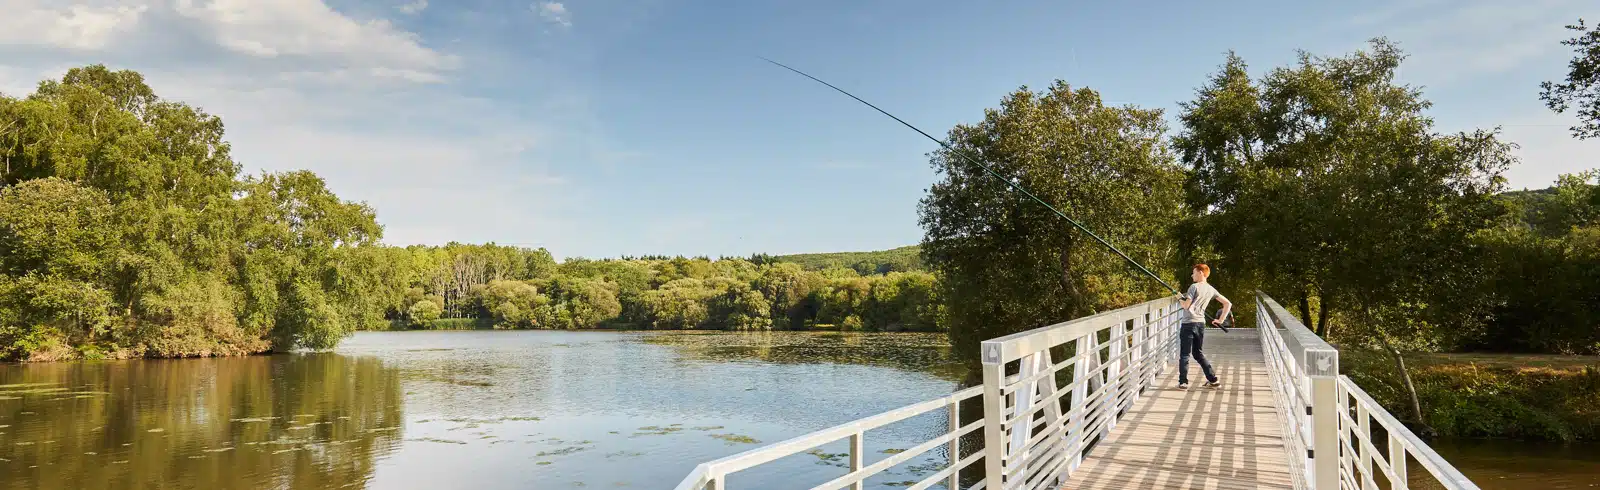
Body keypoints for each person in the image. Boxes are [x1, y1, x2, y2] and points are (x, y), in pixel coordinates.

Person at [1177, 263, 1230, 390]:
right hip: (1200, 324)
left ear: (1201, 272)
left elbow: (1186, 306)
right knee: (1198, 353)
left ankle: (1183, 382)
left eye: (1194, 272)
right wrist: (1220, 320)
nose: (1192, 275)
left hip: (1188, 323)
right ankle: (1213, 380)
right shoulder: (1211, 289)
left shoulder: (1193, 287)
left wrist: (1179, 298)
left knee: (1185, 354)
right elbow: (1227, 303)